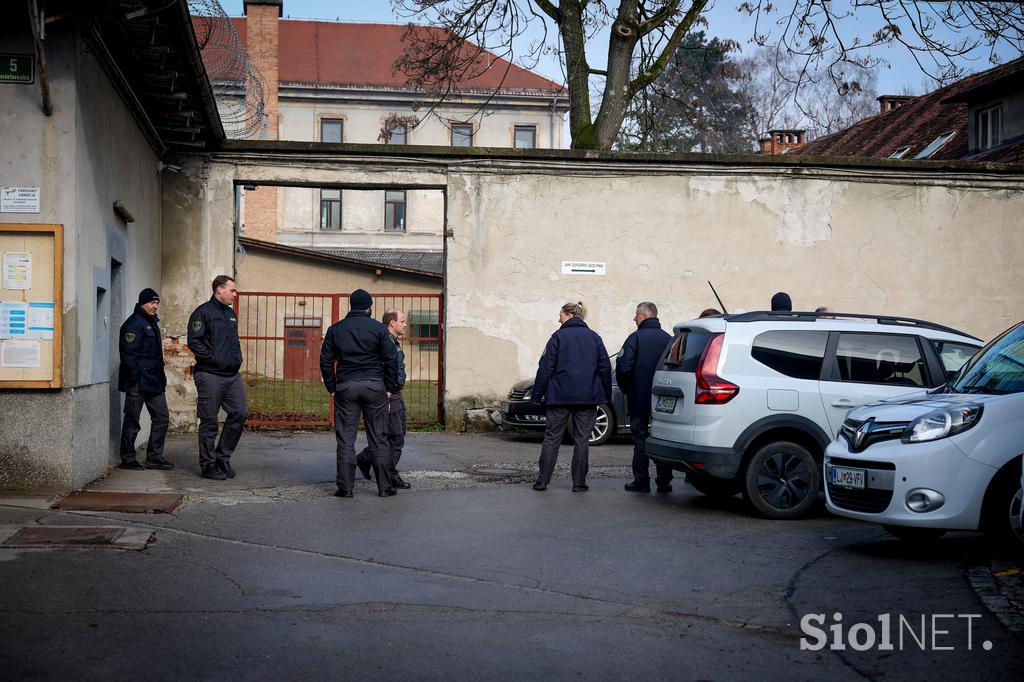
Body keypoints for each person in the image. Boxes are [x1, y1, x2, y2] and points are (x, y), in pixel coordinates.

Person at [320, 289, 399, 498]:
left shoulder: (336, 329)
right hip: (374, 386)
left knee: (345, 440)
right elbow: (391, 359)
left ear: (350, 306)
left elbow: (326, 360)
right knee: (379, 438)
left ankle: (345, 489)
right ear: (369, 307)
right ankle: (385, 487)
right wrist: (390, 387)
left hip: (346, 386)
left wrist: (332, 388)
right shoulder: (378, 329)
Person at [531, 302, 612, 493]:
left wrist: (537, 395)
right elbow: (605, 368)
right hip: (587, 397)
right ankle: (579, 483)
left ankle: (542, 481)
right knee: (582, 440)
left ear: (568, 314)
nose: (558, 318)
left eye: (560, 314)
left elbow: (545, 368)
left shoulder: (557, 337)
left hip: (559, 396)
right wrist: (605, 395)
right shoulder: (594, 338)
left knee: (552, 438)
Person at [187, 275, 247, 481]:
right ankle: (208, 464)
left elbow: (234, 341)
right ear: (219, 290)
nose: (235, 294)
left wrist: (237, 358)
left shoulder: (230, 313)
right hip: (210, 375)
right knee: (209, 421)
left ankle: (223, 457)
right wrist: (214, 359)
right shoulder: (202, 313)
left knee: (239, 413)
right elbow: (195, 342)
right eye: (232, 290)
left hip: (232, 375)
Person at [617, 302, 674, 493]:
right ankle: (664, 481)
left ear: (645, 315)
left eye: (636, 315)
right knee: (662, 437)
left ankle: (641, 480)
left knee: (640, 437)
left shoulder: (635, 338)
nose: (634, 318)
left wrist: (627, 389)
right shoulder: (669, 339)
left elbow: (624, 368)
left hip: (639, 397)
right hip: (665, 399)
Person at [117, 288, 173, 470]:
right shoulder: (133, 324)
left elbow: (155, 356)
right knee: (132, 421)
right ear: (143, 303)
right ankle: (128, 458)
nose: (155, 306)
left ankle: (155, 457)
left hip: (154, 382)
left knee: (162, 417)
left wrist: (161, 379)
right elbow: (129, 356)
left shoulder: (151, 323)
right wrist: (135, 382)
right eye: (152, 303)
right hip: (138, 383)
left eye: (157, 303)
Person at [356, 308, 410, 489]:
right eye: (402, 321)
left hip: (396, 392)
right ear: (392, 323)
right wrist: (387, 393)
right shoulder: (384, 341)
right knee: (394, 438)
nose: (405, 324)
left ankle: (365, 459)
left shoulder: (393, 341)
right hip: (389, 393)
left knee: (396, 434)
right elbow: (384, 367)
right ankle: (390, 475)